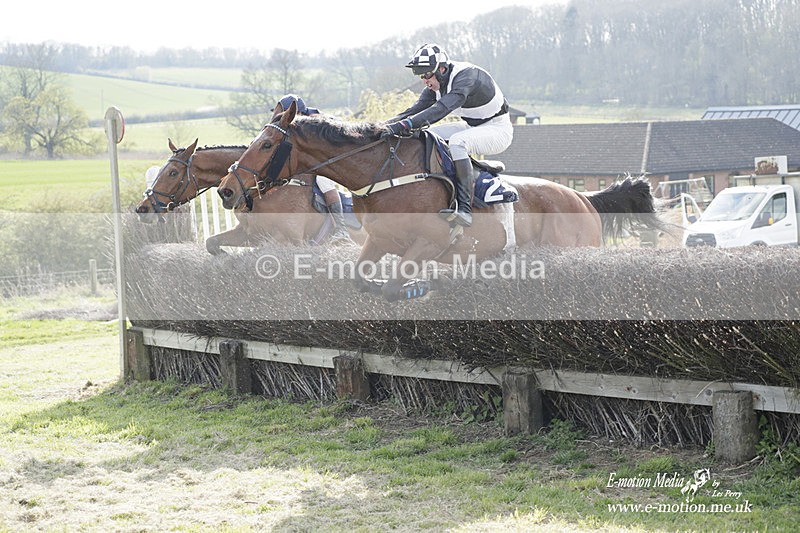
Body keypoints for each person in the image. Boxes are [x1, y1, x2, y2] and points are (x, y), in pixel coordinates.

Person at [384, 43, 513, 227]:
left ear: (442, 69)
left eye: (427, 74)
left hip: (498, 130)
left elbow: (441, 109)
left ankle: (465, 210)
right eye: (421, 75)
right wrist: (381, 126)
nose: (424, 80)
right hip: (472, 126)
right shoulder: (435, 86)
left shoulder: (467, 76)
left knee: (457, 142)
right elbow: (412, 111)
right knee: (425, 136)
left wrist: (406, 125)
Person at [274, 94, 352, 242]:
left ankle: (341, 230)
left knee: (323, 182)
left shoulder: (314, 121)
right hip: (319, 154)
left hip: (336, 153)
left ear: (297, 112)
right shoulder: (297, 123)